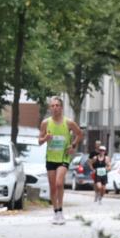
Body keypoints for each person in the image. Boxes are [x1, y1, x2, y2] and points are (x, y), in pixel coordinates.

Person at [38, 96, 83, 225]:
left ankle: (61, 211)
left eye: (57, 105)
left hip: (63, 157)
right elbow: (39, 141)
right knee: (52, 187)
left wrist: (73, 145)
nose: (55, 108)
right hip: (50, 158)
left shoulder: (68, 123)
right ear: (50, 108)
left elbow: (80, 134)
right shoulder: (45, 123)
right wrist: (46, 138)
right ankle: (56, 212)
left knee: (59, 183)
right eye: (52, 106)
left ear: (61, 108)